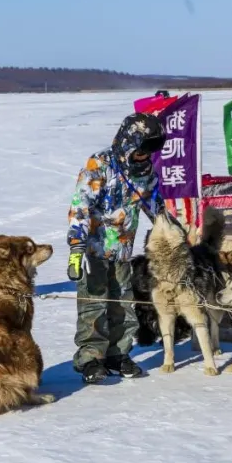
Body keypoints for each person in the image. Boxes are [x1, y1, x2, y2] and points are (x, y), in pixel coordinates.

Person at [67, 113, 165, 383]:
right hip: (94, 250)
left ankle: (118, 353)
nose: (146, 155)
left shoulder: (144, 173)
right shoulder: (99, 165)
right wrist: (76, 248)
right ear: (128, 142)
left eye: (151, 150)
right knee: (94, 303)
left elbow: (156, 206)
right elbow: (80, 207)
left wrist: (172, 233)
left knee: (123, 303)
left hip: (123, 250)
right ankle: (90, 358)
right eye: (142, 148)